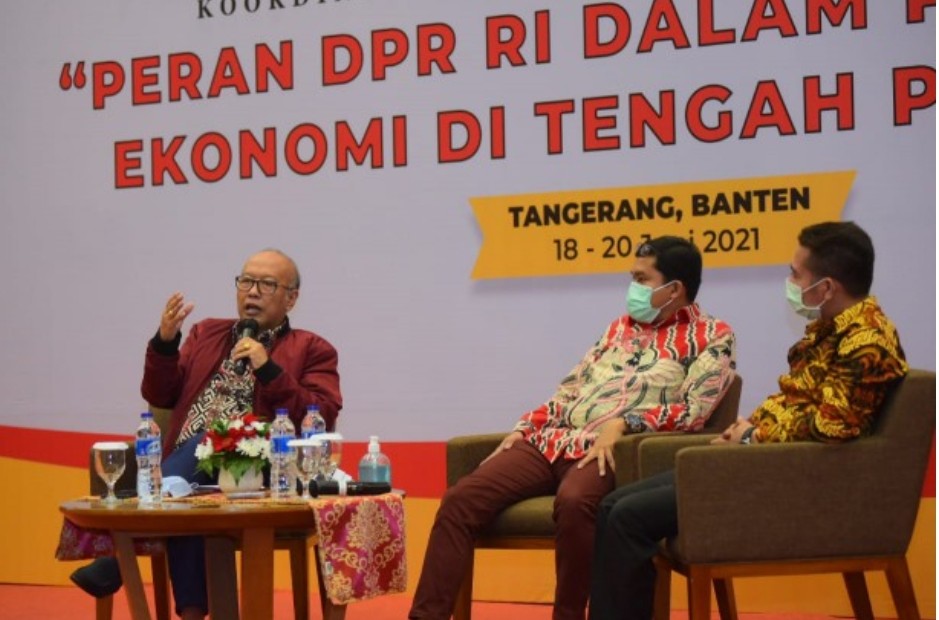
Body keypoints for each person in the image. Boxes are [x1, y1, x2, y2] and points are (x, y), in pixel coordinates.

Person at [588, 221, 908, 620]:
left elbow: (833, 426)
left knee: (627, 519)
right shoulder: (830, 331)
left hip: (795, 481)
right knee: (612, 505)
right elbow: (799, 404)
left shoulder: (866, 340)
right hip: (769, 463)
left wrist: (753, 437)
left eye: (796, 274)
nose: (790, 282)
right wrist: (744, 431)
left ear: (826, 287)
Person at [409, 237, 737, 620]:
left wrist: (625, 423)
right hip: (554, 440)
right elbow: (571, 389)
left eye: (641, 279)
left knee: (575, 502)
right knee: (460, 499)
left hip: (615, 448)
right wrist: (527, 427)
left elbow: (695, 411)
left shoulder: (713, 336)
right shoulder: (618, 329)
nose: (632, 288)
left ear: (674, 289)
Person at [70, 249, 342, 620]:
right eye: (246, 281)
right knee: (187, 497)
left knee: (209, 443)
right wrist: (165, 343)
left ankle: (120, 552)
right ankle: (192, 615)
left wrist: (268, 370)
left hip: (261, 471)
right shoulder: (206, 333)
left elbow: (321, 413)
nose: (252, 291)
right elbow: (161, 394)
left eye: (266, 284)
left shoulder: (313, 348)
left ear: (291, 298)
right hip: (189, 468)